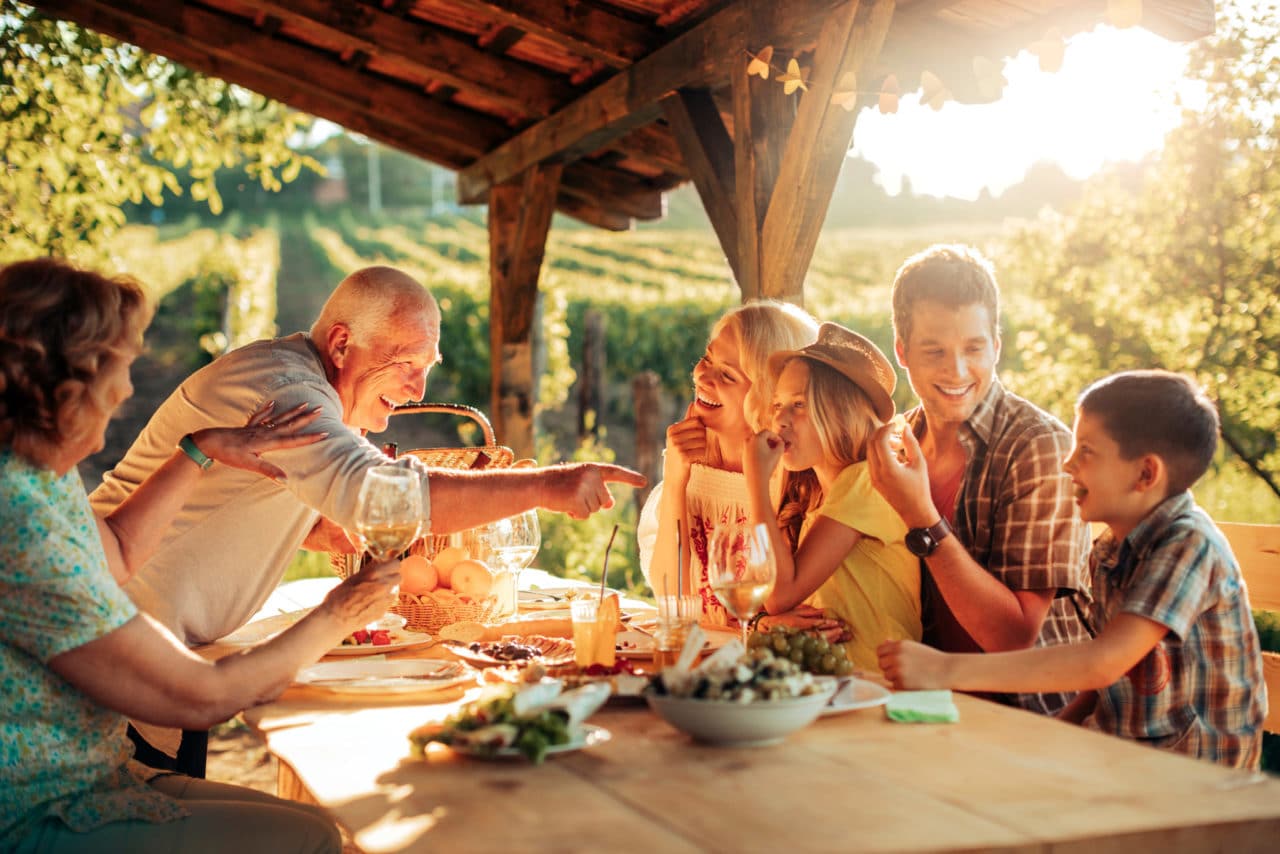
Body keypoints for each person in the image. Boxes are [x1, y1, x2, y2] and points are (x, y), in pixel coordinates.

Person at [1, 257, 400, 852]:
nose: (129, 388)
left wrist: (201, 449)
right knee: (311, 838)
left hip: (92, 769)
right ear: (68, 384)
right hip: (40, 807)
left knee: (321, 827)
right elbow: (203, 695)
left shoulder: (32, 472)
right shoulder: (21, 523)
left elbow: (116, 552)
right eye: (120, 367)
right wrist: (341, 613)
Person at [90, 265, 645, 647]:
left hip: (134, 628)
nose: (419, 389)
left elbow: (233, 490)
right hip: (105, 627)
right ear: (340, 345)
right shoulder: (290, 394)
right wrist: (549, 488)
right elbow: (386, 497)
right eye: (407, 363)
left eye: (429, 366)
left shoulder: (302, 382)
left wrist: (310, 528)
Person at [879, 371, 1268, 769]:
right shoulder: (1110, 552)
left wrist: (944, 670)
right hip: (1126, 760)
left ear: (1145, 474)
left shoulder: (1189, 546)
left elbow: (1102, 662)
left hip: (1197, 785)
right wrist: (1051, 733)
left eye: (1086, 451)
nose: (1067, 463)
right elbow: (1106, 682)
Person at [866, 244, 1090, 715]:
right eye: (935, 352)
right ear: (902, 351)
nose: (958, 371)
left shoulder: (1038, 447)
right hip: (920, 706)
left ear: (996, 346)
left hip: (1029, 718)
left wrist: (920, 516)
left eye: (974, 348)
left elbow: (1014, 637)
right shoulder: (894, 448)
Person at [744, 323, 921, 674]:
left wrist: (756, 481)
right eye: (778, 404)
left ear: (841, 413)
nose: (780, 418)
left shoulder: (866, 481)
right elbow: (770, 601)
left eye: (799, 405)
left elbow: (780, 592)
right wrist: (769, 624)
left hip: (878, 684)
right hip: (830, 682)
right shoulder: (814, 498)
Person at [636, 301, 820, 627]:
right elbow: (672, 603)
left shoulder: (796, 479)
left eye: (727, 375)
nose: (702, 376)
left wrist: (761, 628)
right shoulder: (689, 459)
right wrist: (676, 477)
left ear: (767, 395)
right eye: (707, 359)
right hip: (698, 658)